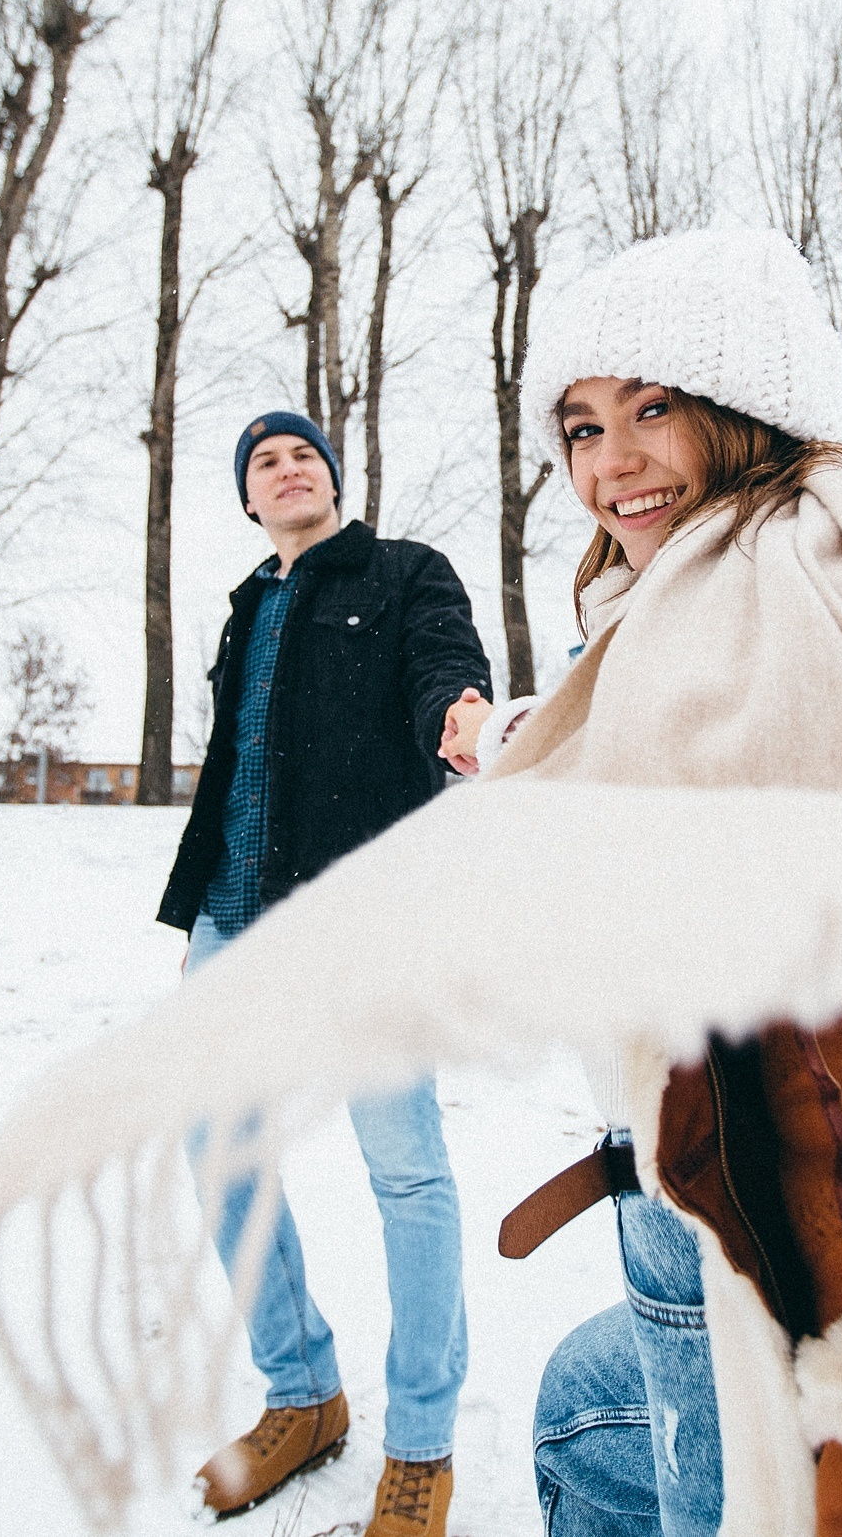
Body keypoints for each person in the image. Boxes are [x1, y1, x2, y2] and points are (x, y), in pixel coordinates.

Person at [467, 230, 842, 1537]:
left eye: (653, 408)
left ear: (753, 416)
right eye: (579, 425)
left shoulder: (783, 624)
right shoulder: (691, 613)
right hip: (668, 1173)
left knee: (709, 1495)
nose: (607, 461)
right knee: (581, 1408)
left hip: (739, 1194)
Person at [157, 409, 494, 1536]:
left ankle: (422, 1445)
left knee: (403, 1167)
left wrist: (458, 712)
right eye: (264, 460)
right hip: (232, 914)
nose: (287, 466)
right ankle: (302, 1393)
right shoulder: (248, 603)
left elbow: (444, 660)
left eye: (304, 452)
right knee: (215, 1144)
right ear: (249, 500)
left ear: (334, 479)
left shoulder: (404, 573)